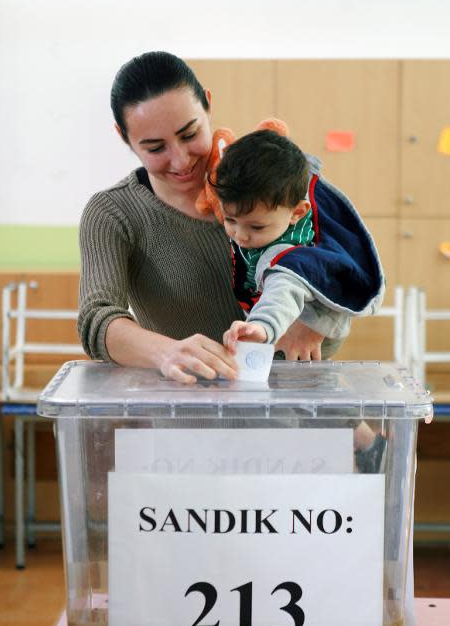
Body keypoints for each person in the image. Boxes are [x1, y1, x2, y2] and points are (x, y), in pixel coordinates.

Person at [78, 51, 329, 383]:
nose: (181, 161)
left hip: (303, 409)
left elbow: (348, 265)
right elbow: (96, 319)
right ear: (124, 137)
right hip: (192, 417)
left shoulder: (271, 178)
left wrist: (317, 320)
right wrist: (166, 352)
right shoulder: (113, 213)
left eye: (189, 134)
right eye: (155, 148)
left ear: (207, 104)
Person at [212, 129, 353, 358]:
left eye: (256, 227)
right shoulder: (277, 206)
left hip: (295, 351)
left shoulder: (287, 254)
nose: (241, 235)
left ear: (297, 212)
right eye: (230, 220)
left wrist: (261, 327)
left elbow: (282, 292)